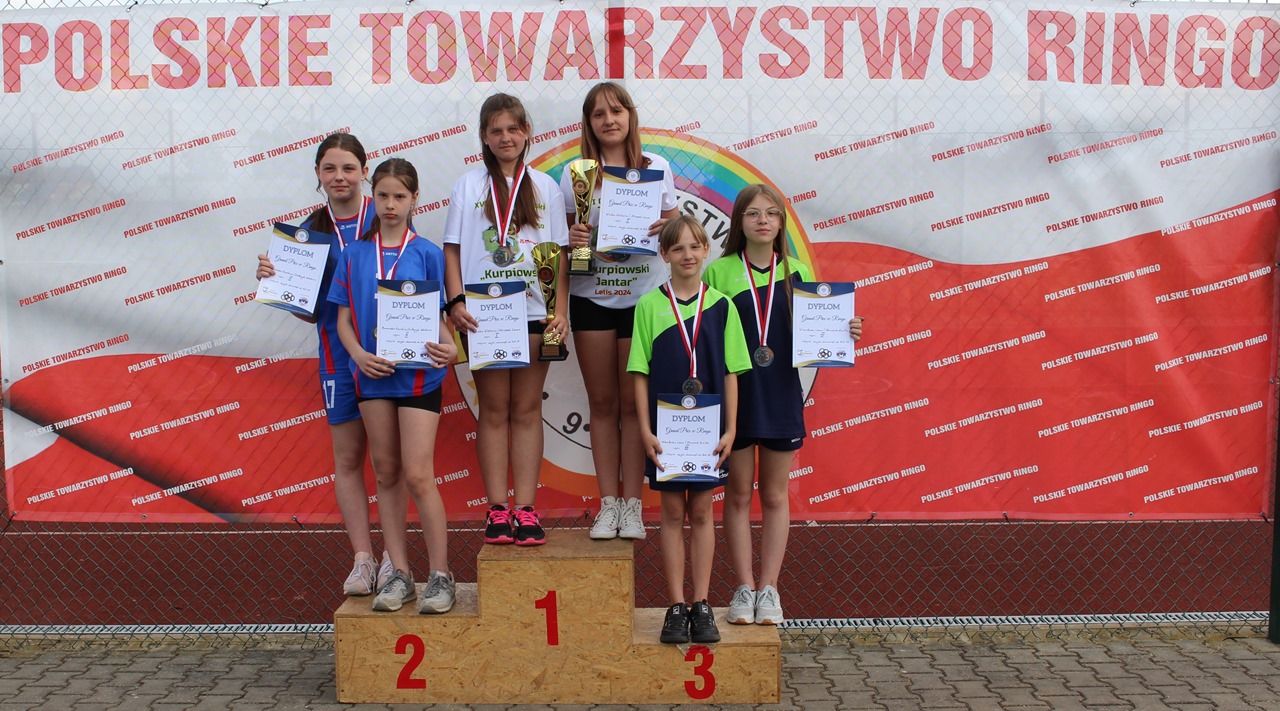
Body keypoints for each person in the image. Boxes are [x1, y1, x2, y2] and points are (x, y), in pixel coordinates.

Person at [703, 184, 864, 625]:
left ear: (781, 223)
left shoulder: (797, 273)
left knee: (774, 494)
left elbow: (815, 336)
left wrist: (844, 330)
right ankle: (743, 587)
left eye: (771, 213)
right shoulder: (718, 272)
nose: (763, 221)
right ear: (739, 221)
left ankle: (769, 588)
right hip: (735, 399)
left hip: (779, 394)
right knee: (738, 494)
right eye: (753, 213)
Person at [255, 133, 398, 597]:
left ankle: (394, 557)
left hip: (385, 356)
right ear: (318, 174)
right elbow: (310, 310)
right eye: (330, 168)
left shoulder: (384, 213)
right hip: (337, 358)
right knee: (348, 459)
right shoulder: (308, 233)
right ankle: (363, 559)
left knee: (388, 462)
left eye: (348, 168)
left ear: (364, 172)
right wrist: (279, 282)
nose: (340, 177)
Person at [327, 157, 457, 613]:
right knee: (385, 472)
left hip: (420, 376)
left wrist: (452, 348)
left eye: (399, 196)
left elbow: (439, 318)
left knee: (418, 474)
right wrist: (358, 355)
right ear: (372, 195)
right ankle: (399, 573)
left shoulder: (427, 253)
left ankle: (441, 575)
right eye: (382, 195)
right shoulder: (354, 254)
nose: (390, 204)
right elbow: (343, 320)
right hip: (373, 375)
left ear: (414, 199)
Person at [443, 93, 569, 547]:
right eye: (495, 130)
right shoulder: (468, 186)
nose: (505, 138)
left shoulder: (546, 187)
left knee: (528, 409)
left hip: (534, 311)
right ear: (483, 136)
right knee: (494, 410)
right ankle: (498, 508)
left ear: (526, 132)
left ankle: (527, 508)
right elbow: (453, 249)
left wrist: (560, 311)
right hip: (486, 313)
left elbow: (558, 254)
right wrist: (456, 301)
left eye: (513, 129)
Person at [561, 82, 679, 541]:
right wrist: (578, 241)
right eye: (598, 114)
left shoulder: (657, 167)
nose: (609, 120)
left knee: (633, 405)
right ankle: (608, 504)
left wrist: (667, 225)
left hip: (642, 298)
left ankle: (633, 505)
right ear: (588, 123)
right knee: (603, 404)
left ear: (630, 116)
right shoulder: (577, 174)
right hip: (591, 297)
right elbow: (569, 248)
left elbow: (674, 229)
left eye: (616, 111)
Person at [628, 215, 750, 644]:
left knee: (701, 513)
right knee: (672, 514)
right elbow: (639, 373)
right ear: (664, 254)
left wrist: (731, 430)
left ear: (706, 251)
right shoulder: (648, 306)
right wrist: (645, 430)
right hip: (666, 432)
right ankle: (676, 605)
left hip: (707, 432)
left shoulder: (723, 306)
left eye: (695, 246)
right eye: (678, 248)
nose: (687, 255)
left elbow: (732, 373)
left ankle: (702, 604)